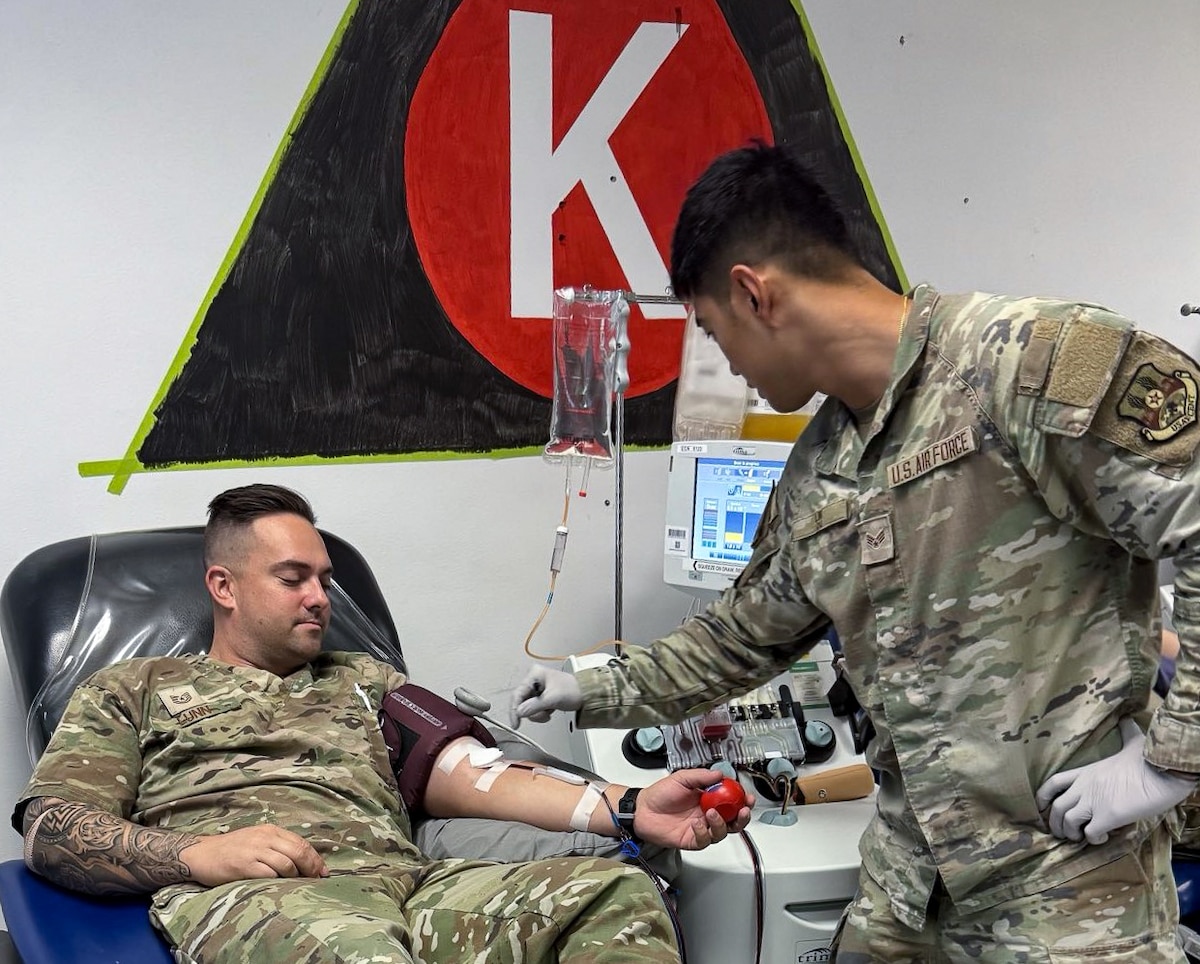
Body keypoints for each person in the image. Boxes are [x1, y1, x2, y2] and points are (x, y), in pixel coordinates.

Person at [511, 143, 1200, 962]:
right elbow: (740, 638)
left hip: (1062, 876)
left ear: (753, 292)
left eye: (710, 330)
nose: (722, 362)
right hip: (911, 880)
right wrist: (591, 686)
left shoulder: (1029, 364)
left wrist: (1174, 761)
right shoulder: (819, 470)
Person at [11, 484, 752, 964]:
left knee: (615, 900)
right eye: (293, 578)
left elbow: (472, 775)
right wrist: (199, 855)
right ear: (224, 586)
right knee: (357, 954)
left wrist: (623, 805)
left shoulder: (363, 680)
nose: (320, 599)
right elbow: (53, 828)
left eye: (325, 580)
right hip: (265, 902)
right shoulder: (136, 688)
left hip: (413, 887)